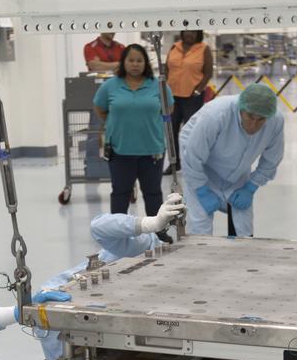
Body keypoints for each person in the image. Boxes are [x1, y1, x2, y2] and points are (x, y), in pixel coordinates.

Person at [27, 196, 185, 360]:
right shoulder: (145, 246)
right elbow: (99, 226)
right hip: (61, 299)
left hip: (109, 312)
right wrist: (152, 223)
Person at [179, 83, 284, 237]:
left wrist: (251, 187)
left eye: (260, 119)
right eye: (250, 117)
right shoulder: (215, 115)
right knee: (200, 229)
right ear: (240, 109)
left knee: (244, 231)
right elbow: (192, 156)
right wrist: (201, 189)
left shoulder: (275, 120)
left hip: (238, 172)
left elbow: (272, 159)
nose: (253, 125)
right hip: (201, 168)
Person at [93, 44, 173, 220]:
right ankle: (118, 233)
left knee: (153, 194)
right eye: (131, 60)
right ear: (123, 62)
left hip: (152, 150)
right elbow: (100, 108)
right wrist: (117, 122)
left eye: (139, 60)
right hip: (120, 149)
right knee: (120, 193)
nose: (135, 64)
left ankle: (157, 233)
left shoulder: (158, 85)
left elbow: (168, 109)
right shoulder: (110, 86)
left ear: (146, 63)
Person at [165, 30, 213, 174]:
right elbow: (167, 69)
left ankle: (193, 164)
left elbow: (208, 73)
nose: (189, 34)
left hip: (192, 97)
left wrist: (198, 90)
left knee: (191, 133)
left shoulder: (204, 49)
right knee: (171, 131)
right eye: (187, 31)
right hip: (172, 97)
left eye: (193, 31)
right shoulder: (175, 47)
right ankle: (174, 164)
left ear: (198, 33)